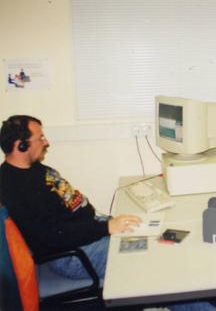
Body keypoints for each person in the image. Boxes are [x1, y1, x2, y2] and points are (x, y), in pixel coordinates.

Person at [0, 115, 143, 279]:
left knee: (151, 235)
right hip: (73, 255)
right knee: (148, 254)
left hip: (88, 233)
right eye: (40, 138)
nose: (46, 142)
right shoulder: (13, 186)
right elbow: (52, 236)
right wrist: (107, 227)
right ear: (22, 145)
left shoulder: (34, 168)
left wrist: (105, 225)